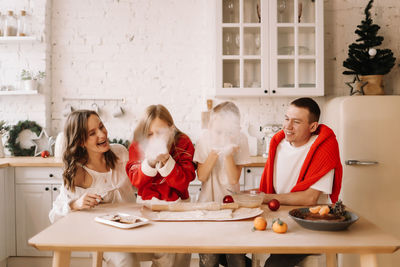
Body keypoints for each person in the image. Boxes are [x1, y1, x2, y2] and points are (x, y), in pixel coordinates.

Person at [259, 97, 343, 267]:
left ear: (312, 127)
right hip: (279, 219)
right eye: (286, 118)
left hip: (311, 224)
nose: (287, 126)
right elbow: (273, 189)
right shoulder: (277, 143)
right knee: (224, 249)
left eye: (296, 122)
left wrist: (265, 197)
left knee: (274, 265)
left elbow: (309, 199)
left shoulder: (324, 148)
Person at [49, 110, 138, 267]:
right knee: (127, 260)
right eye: (92, 133)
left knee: (169, 250)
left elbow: (138, 183)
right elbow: (54, 214)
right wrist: (75, 204)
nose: (102, 135)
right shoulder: (76, 172)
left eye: (101, 126)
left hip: (133, 226)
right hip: (103, 235)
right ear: (81, 141)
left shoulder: (120, 153)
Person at [125, 104, 196, 267]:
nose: (155, 139)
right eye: (150, 134)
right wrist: (149, 161)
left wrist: (166, 161)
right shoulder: (138, 145)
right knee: (161, 249)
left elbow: (185, 180)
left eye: (161, 133)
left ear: (171, 129)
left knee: (178, 255)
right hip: (147, 206)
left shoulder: (183, 143)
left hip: (178, 207)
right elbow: (135, 180)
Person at [194, 101, 250, 267]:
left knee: (236, 259)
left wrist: (227, 154)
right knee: (209, 259)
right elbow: (202, 176)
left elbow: (234, 179)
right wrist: (214, 151)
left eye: (228, 132)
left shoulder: (241, 140)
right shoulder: (204, 140)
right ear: (210, 126)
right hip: (206, 208)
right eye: (218, 131)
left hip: (232, 208)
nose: (222, 137)